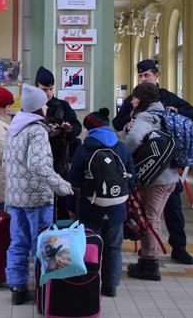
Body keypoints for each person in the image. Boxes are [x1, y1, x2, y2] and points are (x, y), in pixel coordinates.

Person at [112, 59, 193, 265]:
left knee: (171, 210)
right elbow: (117, 121)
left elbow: (192, 112)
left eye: (147, 75)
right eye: (140, 76)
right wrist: (128, 123)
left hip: (166, 166)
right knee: (148, 214)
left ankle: (178, 247)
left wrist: (174, 112)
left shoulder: (166, 97)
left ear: (156, 76)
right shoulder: (135, 98)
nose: (143, 79)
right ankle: (148, 252)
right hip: (146, 168)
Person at [3, 83, 73, 305]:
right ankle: (48, 290)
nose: (46, 108)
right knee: (45, 245)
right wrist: (61, 185)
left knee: (18, 243)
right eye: (44, 104)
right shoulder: (37, 131)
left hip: (16, 198)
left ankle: (18, 288)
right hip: (37, 198)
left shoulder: (14, 127)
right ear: (37, 107)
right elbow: (38, 166)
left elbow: (8, 161)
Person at [67, 108, 135, 298]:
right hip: (116, 209)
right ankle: (110, 286)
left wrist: (71, 208)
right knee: (113, 248)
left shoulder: (83, 149)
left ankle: (89, 282)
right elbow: (131, 177)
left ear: (89, 129)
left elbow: (73, 183)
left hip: (90, 208)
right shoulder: (121, 147)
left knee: (90, 247)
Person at [124, 83, 181, 281]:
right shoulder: (166, 113)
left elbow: (134, 138)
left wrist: (122, 154)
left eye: (135, 97)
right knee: (153, 217)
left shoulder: (146, 116)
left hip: (156, 179)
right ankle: (147, 259)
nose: (132, 101)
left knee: (149, 218)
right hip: (170, 176)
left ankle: (150, 263)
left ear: (144, 99)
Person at [34, 66, 82, 219]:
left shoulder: (63, 105)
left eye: (50, 89)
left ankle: (61, 237)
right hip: (39, 163)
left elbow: (77, 128)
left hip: (60, 161)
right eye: (43, 89)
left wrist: (68, 130)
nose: (48, 93)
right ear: (36, 87)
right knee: (41, 206)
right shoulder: (31, 107)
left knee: (62, 204)